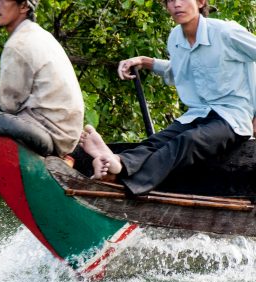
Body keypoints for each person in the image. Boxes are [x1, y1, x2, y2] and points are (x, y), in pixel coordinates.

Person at [80, 0, 256, 195]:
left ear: (200, 2)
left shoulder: (225, 32)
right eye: (170, 0)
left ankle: (122, 180)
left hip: (232, 117)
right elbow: (180, 70)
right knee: (159, 140)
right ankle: (120, 162)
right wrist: (143, 61)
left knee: (188, 140)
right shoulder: (176, 39)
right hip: (198, 114)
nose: (176, 5)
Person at [0, 0, 84, 166]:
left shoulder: (18, 44)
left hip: (48, 133)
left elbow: (7, 106)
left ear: (24, 6)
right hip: (64, 137)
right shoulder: (39, 35)